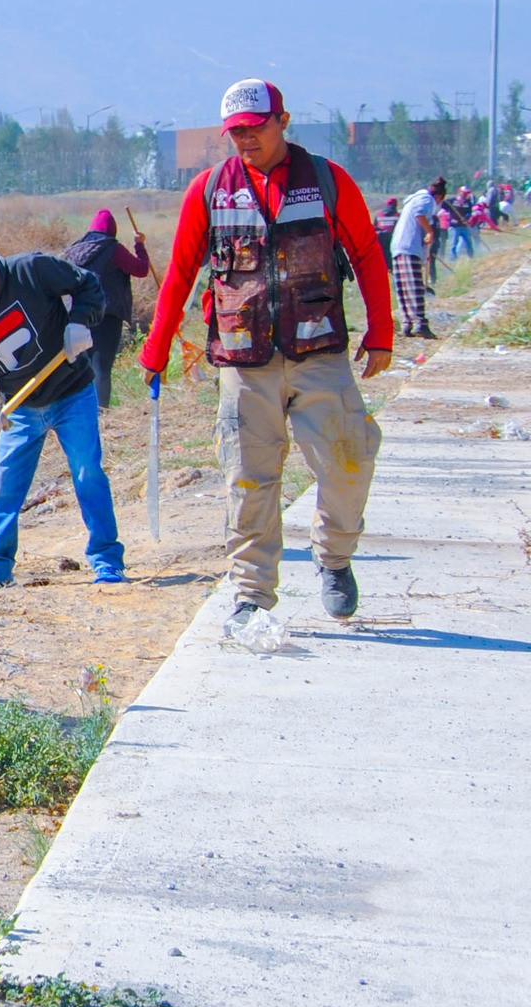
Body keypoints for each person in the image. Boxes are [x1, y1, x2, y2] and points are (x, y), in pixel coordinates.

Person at [138, 78, 394, 622]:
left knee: (350, 463)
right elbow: (182, 271)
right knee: (249, 479)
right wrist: (155, 348)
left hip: (319, 352)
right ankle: (252, 594)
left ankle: (334, 559)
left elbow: (368, 254)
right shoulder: (210, 190)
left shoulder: (325, 181)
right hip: (244, 360)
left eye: (255, 128)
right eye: (234, 132)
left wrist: (382, 332)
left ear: (282, 120)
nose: (245, 140)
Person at [0, 236, 125, 591]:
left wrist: (80, 322)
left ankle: (106, 560)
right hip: (19, 408)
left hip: (72, 392)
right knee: (4, 488)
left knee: (87, 474)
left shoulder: (30, 271)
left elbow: (88, 285)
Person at [62, 209, 150, 407]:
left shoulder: (75, 249)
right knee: (101, 368)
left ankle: (80, 411)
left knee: (79, 368)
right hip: (107, 316)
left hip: (77, 317)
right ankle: (101, 414)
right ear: (113, 230)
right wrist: (140, 245)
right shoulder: (113, 248)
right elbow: (141, 269)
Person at [391, 179, 443, 339]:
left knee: (403, 288)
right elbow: (419, 214)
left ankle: (408, 324)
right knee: (414, 287)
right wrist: (430, 232)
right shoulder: (426, 199)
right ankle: (420, 324)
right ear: (439, 197)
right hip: (409, 247)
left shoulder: (412, 200)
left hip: (398, 246)